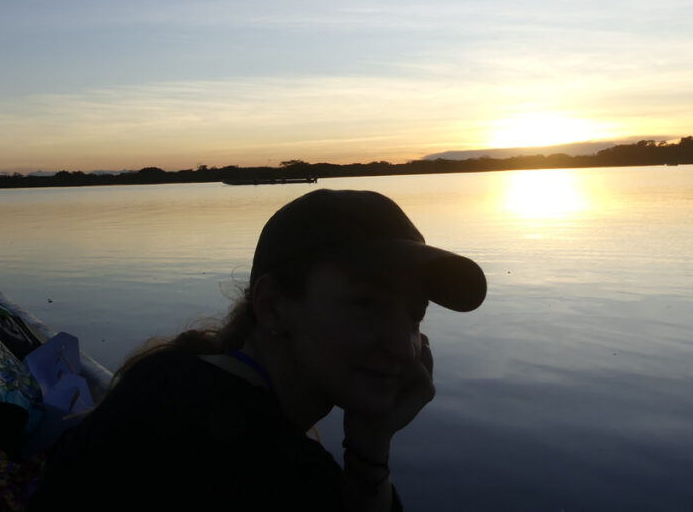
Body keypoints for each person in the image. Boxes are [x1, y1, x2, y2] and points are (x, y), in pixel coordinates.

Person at [28, 189, 486, 511]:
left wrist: (370, 446)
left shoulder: (176, 375)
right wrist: (370, 453)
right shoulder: (264, 467)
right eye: (366, 303)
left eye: (414, 315)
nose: (403, 349)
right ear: (272, 306)